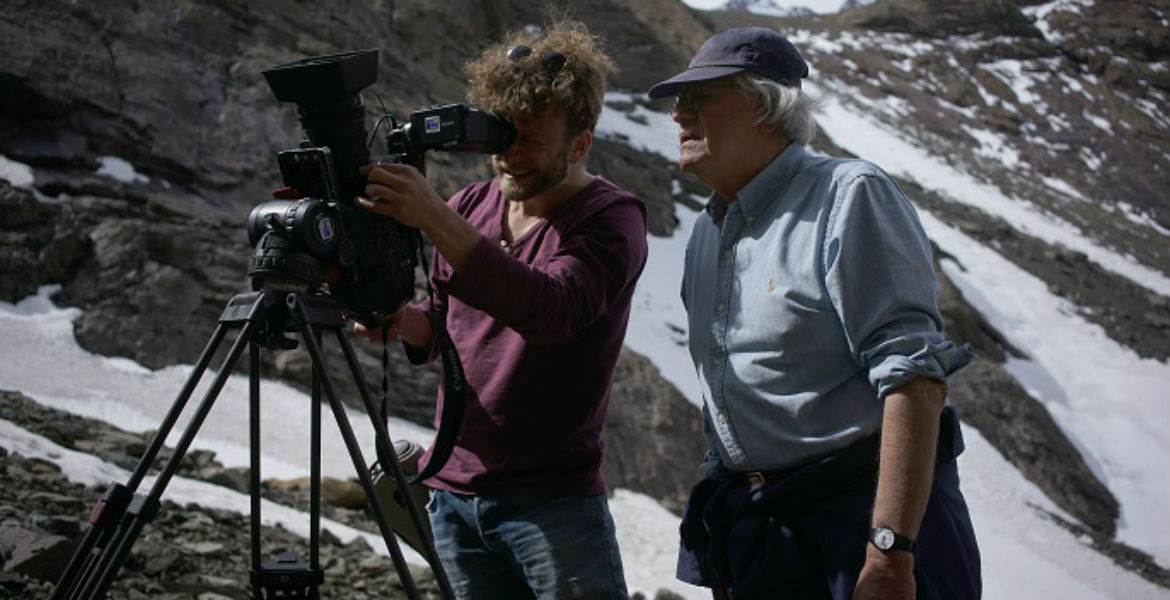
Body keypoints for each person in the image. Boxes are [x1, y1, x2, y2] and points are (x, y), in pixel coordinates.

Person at [646, 27, 981, 599]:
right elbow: (725, 401)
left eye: (701, 98)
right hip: (767, 538)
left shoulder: (850, 197)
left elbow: (915, 379)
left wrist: (891, 555)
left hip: (863, 530)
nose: (680, 114)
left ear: (766, 108)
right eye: (680, 101)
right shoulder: (708, 232)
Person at [354, 20, 646, 600]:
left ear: (579, 144)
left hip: (553, 505)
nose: (509, 156)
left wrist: (436, 218)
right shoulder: (472, 206)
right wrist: (404, 322)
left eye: (530, 141)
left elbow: (549, 309)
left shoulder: (611, 220)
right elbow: (444, 323)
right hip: (454, 496)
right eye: (501, 136)